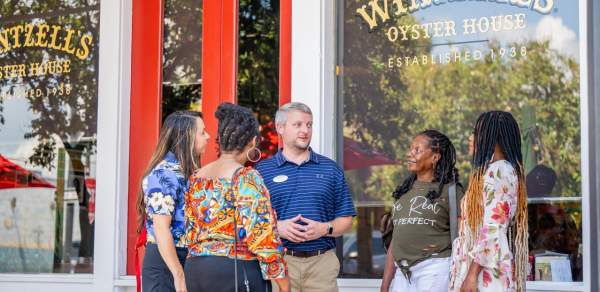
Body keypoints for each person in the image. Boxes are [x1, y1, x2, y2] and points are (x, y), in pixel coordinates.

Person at [184, 103, 289, 292]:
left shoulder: (196, 177)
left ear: (221, 140)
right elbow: (262, 236)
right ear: (252, 141)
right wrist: (283, 284)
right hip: (235, 270)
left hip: (195, 270)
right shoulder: (246, 177)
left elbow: (190, 230)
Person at [256, 102, 356, 292]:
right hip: (279, 262)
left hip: (321, 264)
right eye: (298, 124)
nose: (305, 130)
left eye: (309, 125)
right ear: (281, 127)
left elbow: (346, 219)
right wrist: (277, 228)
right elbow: (252, 221)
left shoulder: (330, 169)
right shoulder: (262, 171)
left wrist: (324, 228)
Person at [449, 111, 529, 292]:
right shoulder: (494, 171)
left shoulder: (499, 172)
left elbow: (493, 227)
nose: (471, 138)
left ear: (494, 137)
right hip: (480, 265)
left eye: (476, 133)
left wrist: (471, 275)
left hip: (484, 273)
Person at [380, 130, 463, 292]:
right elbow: (396, 241)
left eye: (417, 150)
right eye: (410, 149)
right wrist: (385, 284)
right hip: (403, 273)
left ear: (435, 157)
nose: (410, 154)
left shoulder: (451, 191)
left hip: (434, 268)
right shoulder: (403, 192)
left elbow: (464, 237)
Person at [137, 110, 209, 292]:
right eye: (202, 132)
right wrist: (178, 274)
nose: (208, 136)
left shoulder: (188, 172)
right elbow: (161, 229)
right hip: (166, 263)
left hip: (186, 258)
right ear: (187, 137)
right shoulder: (164, 173)